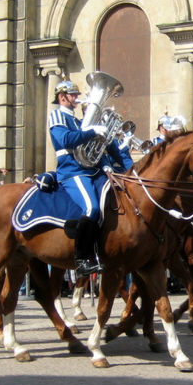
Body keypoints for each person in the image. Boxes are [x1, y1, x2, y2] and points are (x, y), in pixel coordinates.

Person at [49, 79, 133, 276]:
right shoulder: (57, 116)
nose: (77, 98)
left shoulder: (79, 122)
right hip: (72, 171)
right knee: (91, 207)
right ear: (62, 97)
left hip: (92, 171)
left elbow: (95, 149)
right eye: (73, 95)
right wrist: (91, 131)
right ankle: (82, 259)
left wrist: (106, 163)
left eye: (77, 95)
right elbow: (65, 140)